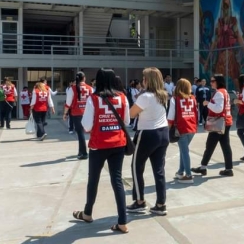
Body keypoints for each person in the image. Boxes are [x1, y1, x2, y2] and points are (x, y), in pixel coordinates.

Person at [72, 69, 130, 234]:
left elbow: (87, 126)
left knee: (94, 180)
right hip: (118, 144)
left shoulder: (94, 99)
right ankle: (123, 222)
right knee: (117, 181)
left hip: (99, 145)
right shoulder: (122, 97)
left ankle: (88, 213)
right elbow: (126, 121)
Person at [127, 67, 170, 216]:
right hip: (163, 132)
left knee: (136, 167)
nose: (142, 81)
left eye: (143, 78)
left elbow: (131, 114)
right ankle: (161, 204)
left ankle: (139, 202)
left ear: (148, 80)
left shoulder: (145, 97)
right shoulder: (163, 95)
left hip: (147, 133)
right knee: (159, 170)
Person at [192, 74, 234, 177]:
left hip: (219, 122)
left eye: (212, 81)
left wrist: (207, 103)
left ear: (218, 81)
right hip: (225, 121)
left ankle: (203, 168)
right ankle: (228, 169)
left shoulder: (219, 93)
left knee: (210, 145)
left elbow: (218, 109)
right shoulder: (225, 92)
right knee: (225, 146)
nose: (211, 83)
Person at [168, 78, 198, 184]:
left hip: (181, 128)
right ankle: (180, 172)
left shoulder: (174, 99)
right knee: (183, 150)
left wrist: (167, 129)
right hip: (192, 127)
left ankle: (188, 175)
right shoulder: (193, 98)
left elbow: (171, 116)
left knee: (184, 151)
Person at [64, 72, 94, 160]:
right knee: (91, 131)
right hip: (88, 112)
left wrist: (65, 113)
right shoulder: (90, 88)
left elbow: (68, 103)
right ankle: (87, 150)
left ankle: (83, 152)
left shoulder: (72, 88)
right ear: (84, 78)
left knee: (80, 133)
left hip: (77, 113)